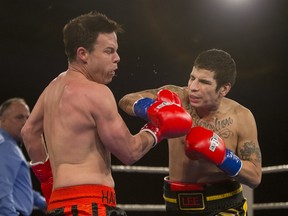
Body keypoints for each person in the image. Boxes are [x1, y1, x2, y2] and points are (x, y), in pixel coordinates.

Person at [21, 11, 192, 216]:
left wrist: (49, 183)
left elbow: (29, 132)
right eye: (109, 51)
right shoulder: (97, 93)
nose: (117, 58)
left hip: (60, 203)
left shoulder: (53, 88)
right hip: (90, 205)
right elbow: (129, 152)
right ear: (83, 54)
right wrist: (157, 128)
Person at [118, 48, 262, 216]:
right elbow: (126, 100)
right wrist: (152, 109)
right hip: (175, 204)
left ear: (223, 89)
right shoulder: (177, 97)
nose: (193, 87)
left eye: (204, 82)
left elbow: (254, 177)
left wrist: (223, 157)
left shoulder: (241, 117)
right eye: (192, 78)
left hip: (223, 205)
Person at [0, 98, 47, 216]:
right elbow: (2, 188)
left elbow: (18, 187)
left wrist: (43, 203)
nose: (26, 122)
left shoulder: (9, 145)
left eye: (28, 117)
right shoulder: (5, 145)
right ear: (2, 121)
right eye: (19, 117)